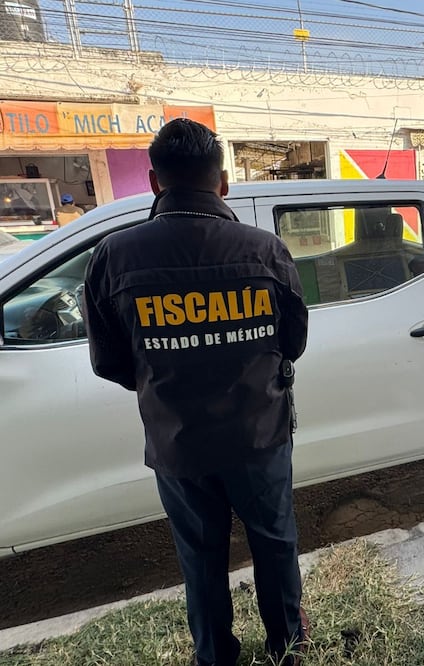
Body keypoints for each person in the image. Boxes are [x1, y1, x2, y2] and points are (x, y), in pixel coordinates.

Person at [83, 119, 310, 666]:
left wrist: (170, 378)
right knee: (275, 544)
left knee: (201, 560)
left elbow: (109, 362)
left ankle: (215, 657)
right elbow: (293, 341)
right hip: (259, 436)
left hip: (178, 443)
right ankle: (288, 649)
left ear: (154, 181)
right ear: (224, 183)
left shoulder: (115, 256)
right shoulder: (265, 251)